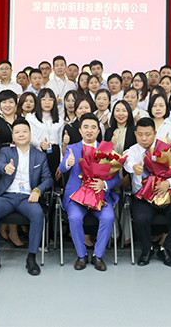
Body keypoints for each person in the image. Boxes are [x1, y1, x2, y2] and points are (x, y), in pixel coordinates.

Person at [0, 118, 54, 276]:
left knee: (37, 214)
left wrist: (38, 190)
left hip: (27, 197)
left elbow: (48, 179)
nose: (21, 134)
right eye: (17, 132)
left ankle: (32, 257)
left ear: (30, 134)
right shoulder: (6, 151)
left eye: (24, 131)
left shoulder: (39, 156)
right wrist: (5, 168)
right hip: (6, 196)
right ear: (13, 137)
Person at [124, 117, 171, 267]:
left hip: (166, 193)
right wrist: (134, 167)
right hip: (143, 197)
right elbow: (127, 162)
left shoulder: (165, 149)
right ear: (135, 134)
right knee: (140, 219)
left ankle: (166, 248)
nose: (144, 138)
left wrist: (168, 183)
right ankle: (146, 250)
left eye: (148, 134)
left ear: (155, 133)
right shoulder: (132, 151)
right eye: (140, 134)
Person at [60, 114, 120, 271]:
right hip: (76, 197)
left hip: (100, 196)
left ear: (98, 131)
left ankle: (97, 255)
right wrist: (68, 163)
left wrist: (104, 184)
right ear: (80, 130)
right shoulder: (72, 148)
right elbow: (61, 168)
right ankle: (81, 255)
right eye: (85, 127)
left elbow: (116, 177)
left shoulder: (106, 149)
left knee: (108, 217)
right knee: (74, 217)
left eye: (93, 127)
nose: (89, 130)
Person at [0, 90, 24, 246]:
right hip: (1, 159)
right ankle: (5, 228)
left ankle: (11, 229)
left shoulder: (21, 119)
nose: (7, 105)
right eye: (3, 102)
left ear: (16, 104)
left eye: (10, 102)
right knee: (3, 193)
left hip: (19, 158)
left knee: (16, 192)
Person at [26, 89, 64, 184]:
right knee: (39, 182)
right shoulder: (31, 117)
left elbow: (60, 142)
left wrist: (61, 162)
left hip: (54, 153)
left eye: (50, 99)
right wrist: (40, 144)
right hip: (38, 152)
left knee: (54, 181)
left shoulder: (59, 120)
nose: (47, 102)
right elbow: (30, 136)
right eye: (44, 99)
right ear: (39, 101)